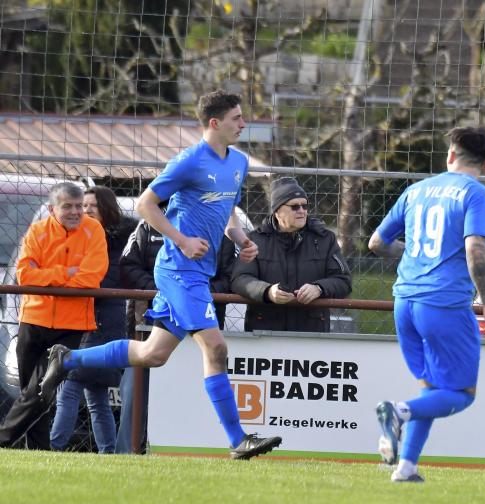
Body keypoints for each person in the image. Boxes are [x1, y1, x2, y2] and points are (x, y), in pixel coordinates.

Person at [38, 89, 281, 459]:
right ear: (214, 123)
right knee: (216, 347)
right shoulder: (189, 161)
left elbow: (228, 210)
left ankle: (67, 359)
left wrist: (240, 239)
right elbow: (145, 205)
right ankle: (238, 441)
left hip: (197, 272)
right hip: (179, 270)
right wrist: (182, 240)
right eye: (237, 118)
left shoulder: (237, 162)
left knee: (153, 353)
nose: (243, 124)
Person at [368, 126, 485, 482]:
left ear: (451, 155)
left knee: (433, 387)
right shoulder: (478, 193)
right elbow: (475, 249)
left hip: (404, 302)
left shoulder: (416, 190)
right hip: (443, 304)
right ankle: (398, 412)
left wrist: (415, 255)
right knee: (461, 393)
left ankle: (406, 467)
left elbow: (377, 243)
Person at [115, 215, 237, 454]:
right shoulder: (148, 226)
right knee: (135, 395)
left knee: (191, 397)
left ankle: (200, 451)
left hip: (201, 329)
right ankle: (126, 453)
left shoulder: (216, 228)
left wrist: (195, 296)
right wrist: (167, 291)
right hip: (150, 324)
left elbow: (230, 276)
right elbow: (127, 267)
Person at [0, 182, 107, 449]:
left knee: (41, 388)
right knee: (32, 392)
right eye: (67, 206)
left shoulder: (94, 230)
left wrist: (46, 277)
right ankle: (38, 449)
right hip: (33, 321)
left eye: (79, 206)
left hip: (71, 326)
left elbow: (91, 277)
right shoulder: (37, 231)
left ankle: (3, 439)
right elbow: (25, 275)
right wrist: (65, 274)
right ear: (51, 209)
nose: (76, 212)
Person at [49, 186, 137, 453]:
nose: (84, 211)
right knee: (96, 395)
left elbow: (102, 282)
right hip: (86, 319)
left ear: (106, 209)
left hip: (102, 321)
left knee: (71, 384)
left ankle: (54, 446)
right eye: (81, 205)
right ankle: (108, 451)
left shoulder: (115, 244)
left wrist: (69, 279)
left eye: (90, 206)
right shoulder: (83, 238)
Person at [231, 176, 352, 332]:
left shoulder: (325, 239)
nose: (301, 211)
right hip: (265, 329)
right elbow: (240, 279)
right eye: (294, 207)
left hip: (312, 329)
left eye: (304, 206)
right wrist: (267, 292)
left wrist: (319, 288)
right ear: (277, 211)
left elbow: (343, 281)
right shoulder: (256, 240)